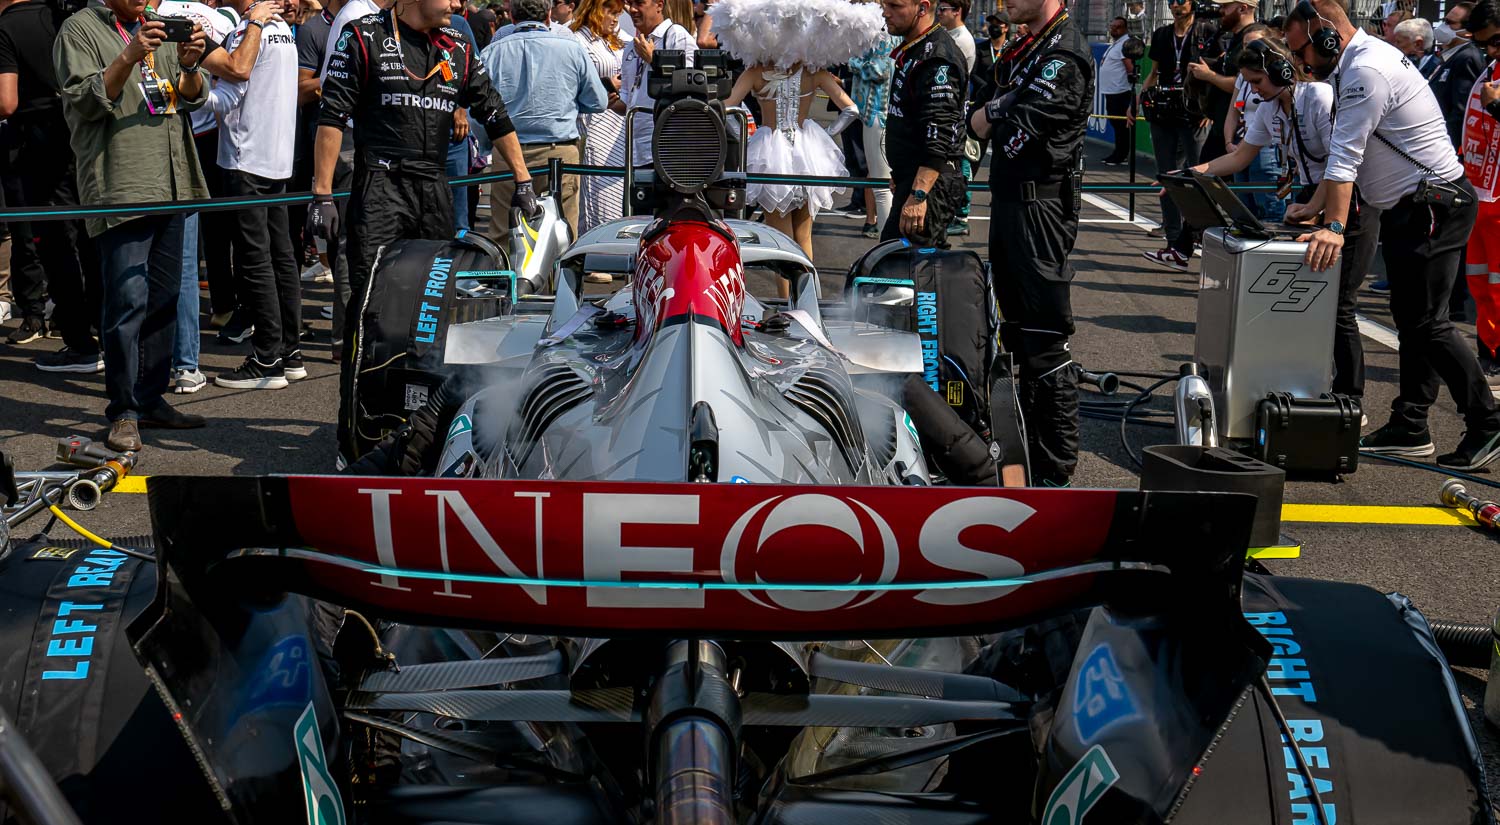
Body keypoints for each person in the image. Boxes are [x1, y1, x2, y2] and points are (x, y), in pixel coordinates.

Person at [307, 0, 538, 462]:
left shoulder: (458, 47)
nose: (457, 4)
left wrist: (524, 180)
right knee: (367, 312)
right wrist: (322, 195)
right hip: (379, 186)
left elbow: (493, 113)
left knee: (440, 310)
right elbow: (331, 116)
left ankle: (429, 433)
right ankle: (353, 436)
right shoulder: (364, 36)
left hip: (433, 185)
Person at [1285, 0, 1500, 470]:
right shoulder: (1356, 64)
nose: (1300, 62)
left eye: (1301, 49)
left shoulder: (1366, 70)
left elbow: (1345, 156)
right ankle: (1411, 424)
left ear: (1325, 35)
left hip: (1432, 205)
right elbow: (1347, 157)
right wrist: (1315, 206)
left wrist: (1335, 227)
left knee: (1428, 323)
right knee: (1413, 320)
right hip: (1418, 205)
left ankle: (1487, 422)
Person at [54, 0, 213, 452]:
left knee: (166, 297)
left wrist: (189, 65)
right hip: (121, 184)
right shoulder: (78, 29)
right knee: (127, 301)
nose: (151, 1)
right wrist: (128, 55)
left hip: (171, 180)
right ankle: (123, 409)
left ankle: (151, 398)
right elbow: (85, 101)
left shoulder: (153, 28)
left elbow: (191, 97)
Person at [1192, 36, 1379, 410]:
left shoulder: (1320, 99)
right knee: (1310, 300)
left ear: (1281, 70)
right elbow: (1240, 158)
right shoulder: (1269, 108)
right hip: (1312, 198)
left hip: (1350, 200)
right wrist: (1189, 173)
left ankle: (1350, 399)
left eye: (1258, 81)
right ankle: (1305, 384)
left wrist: (1314, 206)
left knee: (1339, 305)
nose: (1254, 91)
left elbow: (1341, 166)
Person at [968, 0, 1090, 487]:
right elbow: (984, 108)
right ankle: (1026, 463)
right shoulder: (1026, 45)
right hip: (1011, 207)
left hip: (1042, 210)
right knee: (1015, 338)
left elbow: (1018, 125)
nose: (1004, 2)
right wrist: (1000, 105)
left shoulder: (1067, 52)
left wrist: (997, 110)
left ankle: (1056, 473)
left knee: (1043, 342)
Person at [0, 0, 102, 372]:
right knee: (92, 239)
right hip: (84, 135)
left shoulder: (8, 26)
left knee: (54, 245)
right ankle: (101, 334)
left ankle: (79, 343)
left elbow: (6, 101)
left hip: (36, 143)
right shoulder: (75, 18)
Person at [206, 0, 302, 390]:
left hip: (246, 158)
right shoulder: (284, 32)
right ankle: (289, 352)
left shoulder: (246, 33)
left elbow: (228, 96)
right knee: (281, 256)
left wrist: (189, 92)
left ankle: (267, 357)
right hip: (277, 156)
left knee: (255, 260)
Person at [480, 0, 606, 241]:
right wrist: (568, 104)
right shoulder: (571, 47)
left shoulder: (492, 53)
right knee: (562, 234)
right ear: (548, 16)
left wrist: (488, 144)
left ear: (512, 17)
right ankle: (559, 279)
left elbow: (479, 108)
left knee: (504, 236)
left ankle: (508, 279)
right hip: (559, 153)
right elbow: (598, 101)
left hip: (508, 152)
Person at [878, 0, 966, 249]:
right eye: (885, 4)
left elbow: (939, 132)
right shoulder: (916, 49)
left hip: (929, 186)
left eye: (895, 5)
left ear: (923, 8)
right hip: (914, 178)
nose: (885, 12)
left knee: (909, 270)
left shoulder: (936, 57)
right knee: (900, 264)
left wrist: (919, 194)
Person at [1140, 0, 1213, 264]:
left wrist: (1208, 110)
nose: (1175, 5)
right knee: (1167, 176)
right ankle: (1173, 241)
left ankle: (1202, 236)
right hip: (1164, 110)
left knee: (1199, 176)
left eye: (1180, 1)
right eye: (1171, 1)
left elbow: (1214, 73)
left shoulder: (1207, 31)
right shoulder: (1162, 34)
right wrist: (1137, 100)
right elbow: (1154, 73)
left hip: (1194, 112)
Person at [1461, 0, 1500, 385]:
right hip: (1479, 194)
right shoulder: (1490, 70)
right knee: (1480, 279)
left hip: (1499, 201)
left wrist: (1498, 107)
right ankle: (1488, 348)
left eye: (1494, 41)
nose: (1489, 50)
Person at [570, 0, 628, 253]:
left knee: (616, 189)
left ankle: (614, 247)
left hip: (619, 121)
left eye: (618, 13)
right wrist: (606, 84)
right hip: (593, 122)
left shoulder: (615, 39)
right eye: (609, 11)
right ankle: (597, 251)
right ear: (593, 10)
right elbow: (575, 81)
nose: (615, 18)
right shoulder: (577, 40)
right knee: (596, 191)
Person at [619, 0, 695, 172]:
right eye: (630, 3)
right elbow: (627, 100)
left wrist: (654, 60)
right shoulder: (631, 47)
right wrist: (604, 97)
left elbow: (692, 86)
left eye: (639, 3)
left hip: (668, 149)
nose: (632, 10)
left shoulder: (676, 34)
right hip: (636, 151)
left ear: (659, 5)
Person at [849, 32, 898, 238]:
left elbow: (879, 69)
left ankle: (888, 249)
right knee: (882, 183)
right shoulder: (889, 34)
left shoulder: (884, 36)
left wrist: (853, 62)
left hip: (878, 113)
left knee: (881, 186)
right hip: (880, 113)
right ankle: (889, 245)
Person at [1098, 15, 1136, 166]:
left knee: (1120, 125)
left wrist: (1131, 86)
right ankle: (1118, 153)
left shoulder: (1124, 44)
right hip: (1112, 91)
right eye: (1112, 27)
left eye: (1117, 27)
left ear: (1125, 28)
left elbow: (1130, 68)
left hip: (1120, 91)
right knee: (1116, 124)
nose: (1113, 30)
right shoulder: (1116, 44)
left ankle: (1121, 155)